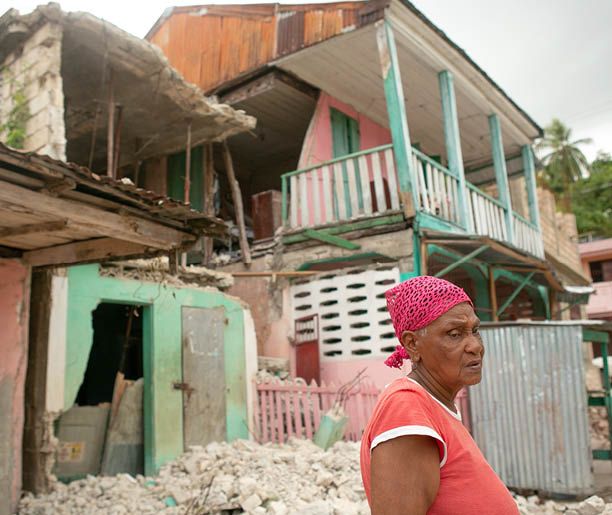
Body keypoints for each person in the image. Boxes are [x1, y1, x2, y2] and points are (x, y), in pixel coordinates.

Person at [360, 276, 518, 514]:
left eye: (475, 331)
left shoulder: (437, 408)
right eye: (454, 334)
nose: (475, 346)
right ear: (412, 344)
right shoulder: (406, 409)